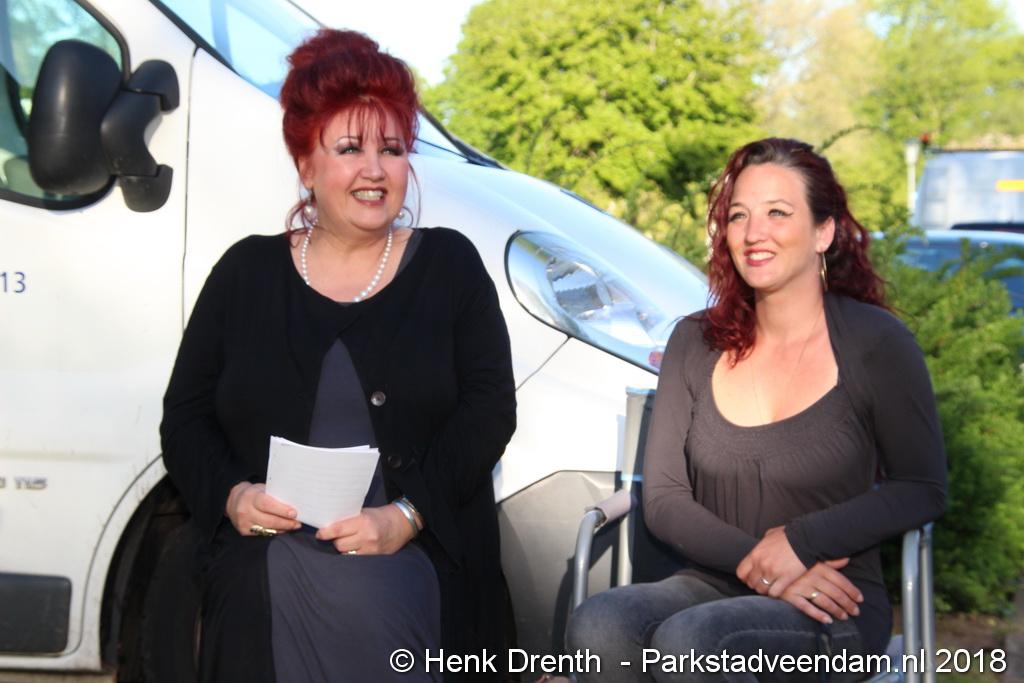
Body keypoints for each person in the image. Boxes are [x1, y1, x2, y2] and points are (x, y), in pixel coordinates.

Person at [160, 29, 516, 683]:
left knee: (374, 597)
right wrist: (234, 496)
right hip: (265, 548)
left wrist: (405, 516)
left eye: (392, 149)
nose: (375, 170)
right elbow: (183, 417)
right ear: (306, 166)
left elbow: (490, 412)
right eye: (350, 149)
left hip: (411, 546)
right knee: (244, 596)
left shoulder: (451, 266)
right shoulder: (245, 273)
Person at [565, 138, 946, 682]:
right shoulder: (695, 341)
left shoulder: (876, 344)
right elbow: (666, 500)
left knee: (693, 643)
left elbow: (922, 487)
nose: (753, 233)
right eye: (738, 215)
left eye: (778, 213)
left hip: (831, 602)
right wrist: (766, 566)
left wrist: (800, 545)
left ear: (824, 231)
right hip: (713, 580)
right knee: (600, 624)